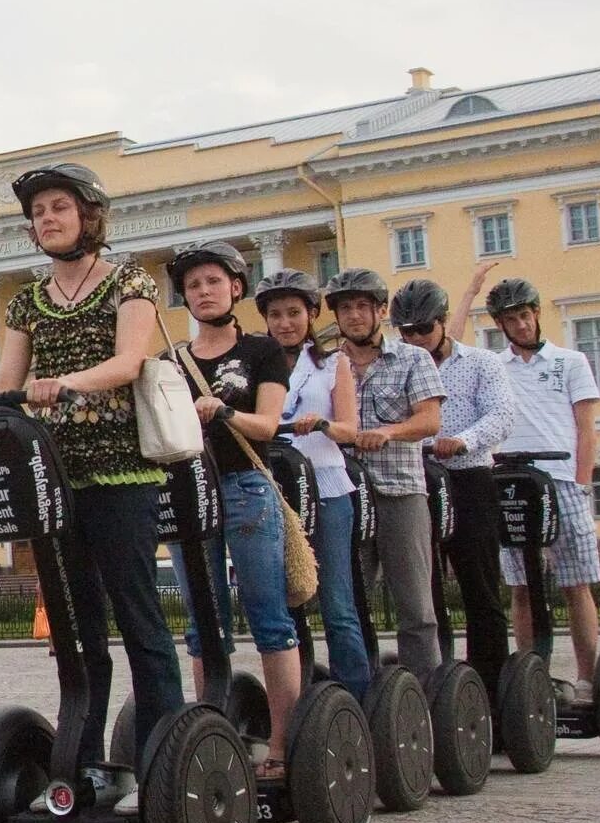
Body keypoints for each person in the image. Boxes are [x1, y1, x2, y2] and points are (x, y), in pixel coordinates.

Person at [0, 165, 184, 777]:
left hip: (123, 473)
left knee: (137, 611)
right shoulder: (27, 300)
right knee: (77, 625)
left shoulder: (130, 282)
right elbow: (6, 385)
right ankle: (86, 759)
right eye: (38, 212)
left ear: (88, 215)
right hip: (55, 481)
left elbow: (129, 363)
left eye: (58, 208)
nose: (46, 219)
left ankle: (165, 754)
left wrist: (68, 383)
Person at [163, 243, 301, 778]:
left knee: (268, 617)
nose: (203, 292)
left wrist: (222, 411)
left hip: (245, 487)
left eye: (213, 282)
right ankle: (215, 744)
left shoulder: (262, 351)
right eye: (194, 285)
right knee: (203, 623)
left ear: (235, 288)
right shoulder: (172, 361)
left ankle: (284, 748)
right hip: (188, 491)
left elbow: (268, 426)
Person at [461, 270, 600, 701]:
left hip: (560, 479)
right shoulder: (493, 366)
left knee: (575, 582)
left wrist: (582, 483)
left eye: (525, 316)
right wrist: (469, 292)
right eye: (511, 320)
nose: (521, 325)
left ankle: (587, 677)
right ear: (500, 325)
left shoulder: (570, 362)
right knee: (521, 584)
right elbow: (445, 352)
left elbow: (586, 429)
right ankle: (531, 679)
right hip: (509, 480)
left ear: (537, 314)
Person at [328, 269, 446, 687]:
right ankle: (365, 692)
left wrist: (389, 432)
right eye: (346, 308)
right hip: (347, 494)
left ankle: (426, 697)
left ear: (380, 312)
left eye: (363, 306)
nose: (355, 315)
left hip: (400, 490)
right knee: (352, 603)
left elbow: (430, 420)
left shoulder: (412, 358)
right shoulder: (327, 364)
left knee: (415, 605)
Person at [260, 269, 373, 702]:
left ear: (310, 315)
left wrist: (322, 424)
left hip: (326, 488)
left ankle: (358, 701)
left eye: (293, 313)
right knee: (290, 602)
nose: (285, 323)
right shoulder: (259, 364)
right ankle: (301, 695)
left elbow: (350, 429)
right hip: (279, 488)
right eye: (275, 315)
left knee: (337, 605)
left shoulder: (334, 364)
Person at [394, 277, 514, 678]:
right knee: (424, 592)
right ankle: (436, 680)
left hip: (469, 479)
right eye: (407, 332)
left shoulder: (481, 363)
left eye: (424, 329)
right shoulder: (397, 367)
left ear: (443, 323)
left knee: (479, 587)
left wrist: (462, 440)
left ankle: (492, 683)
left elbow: (501, 415)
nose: (416, 339)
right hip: (417, 481)